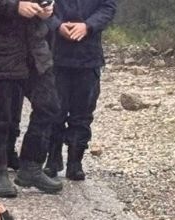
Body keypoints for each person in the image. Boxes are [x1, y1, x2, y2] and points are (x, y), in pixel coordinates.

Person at [0, 0, 62, 198]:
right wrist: (15, 6)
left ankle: (31, 166)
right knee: (0, 114)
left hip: (35, 48)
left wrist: (47, 7)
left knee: (49, 105)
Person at [44, 0, 116, 182]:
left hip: (89, 57)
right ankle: (52, 159)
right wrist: (57, 26)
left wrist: (88, 26)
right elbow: (43, 9)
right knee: (55, 111)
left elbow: (108, 8)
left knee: (82, 114)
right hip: (57, 56)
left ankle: (75, 163)